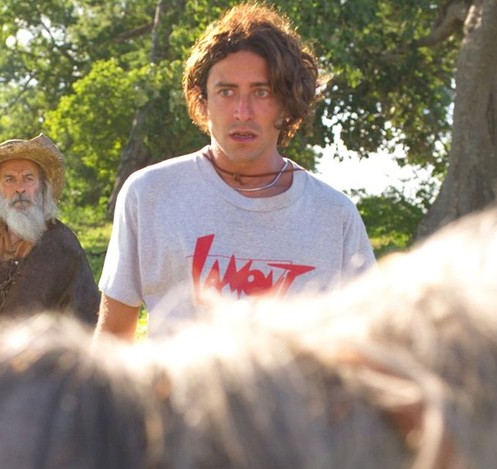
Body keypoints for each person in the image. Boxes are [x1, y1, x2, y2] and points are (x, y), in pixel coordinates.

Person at [95, 3, 376, 342]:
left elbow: (369, 348)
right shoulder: (150, 193)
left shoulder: (334, 216)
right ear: (203, 101)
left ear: (288, 103)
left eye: (262, 92)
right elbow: (113, 339)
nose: (243, 112)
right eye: (226, 92)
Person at [0, 134, 100, 325]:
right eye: (9, 179)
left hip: (40, 354)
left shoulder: (62, 244)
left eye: (28, 179)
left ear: (42, 188)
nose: (20, 188)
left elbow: (85, 323)